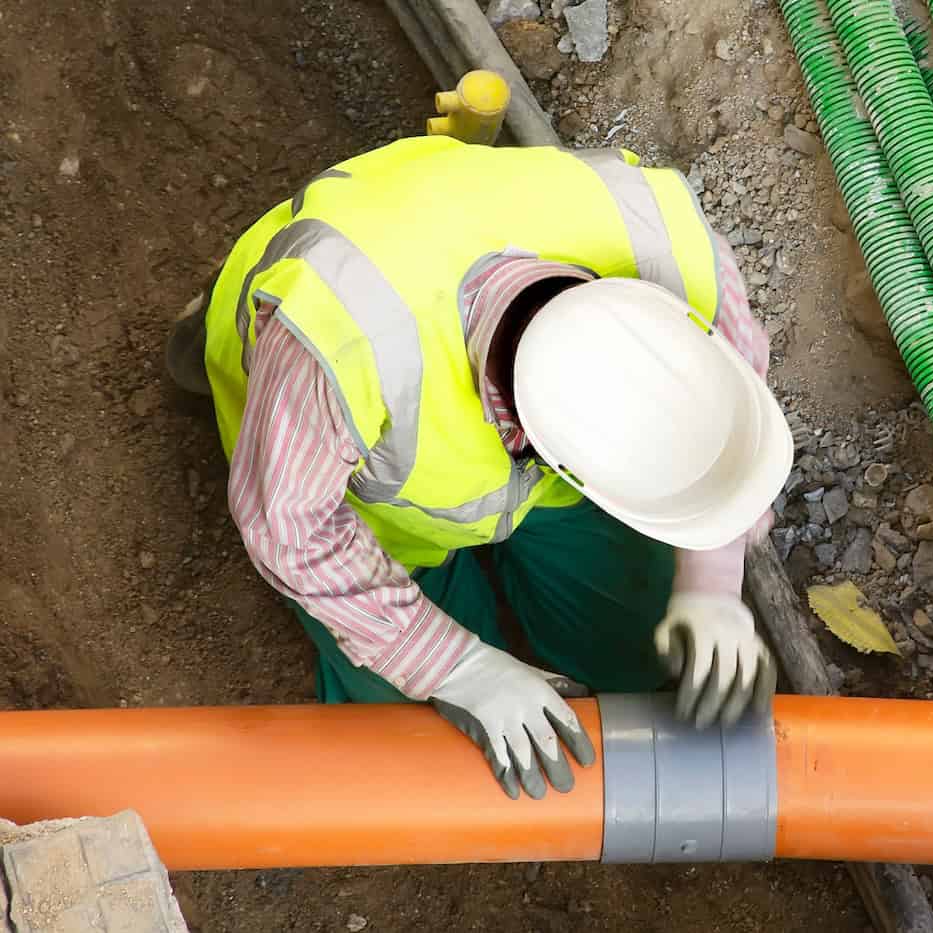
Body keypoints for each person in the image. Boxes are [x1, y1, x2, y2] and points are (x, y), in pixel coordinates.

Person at [166, 138, 794, 800]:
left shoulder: (668, 244)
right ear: (552, 452)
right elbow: (291, 529)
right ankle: (212, 320)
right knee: (422, 750)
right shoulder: (340, 346)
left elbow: (731, 418)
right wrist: (460, 668)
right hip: (356, 472)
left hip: (502, 428)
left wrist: (712, 582)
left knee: (639, 651)